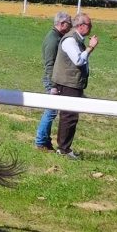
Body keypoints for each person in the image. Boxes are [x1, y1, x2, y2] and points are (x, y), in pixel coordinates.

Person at [51, 12, 99, 159]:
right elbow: (78, 60)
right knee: (69, 116)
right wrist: (90, 48)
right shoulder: (70, 40)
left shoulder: (76, 39)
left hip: (72, 83)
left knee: (70, 116)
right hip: (68, 83)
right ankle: (63, 149)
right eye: (89, 25)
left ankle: (64, 147)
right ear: (81, 26)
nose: (91, 28)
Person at [34, 11, 72, 151]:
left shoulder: (56, 37)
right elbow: (50, 64)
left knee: (51, 111)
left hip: (54, 79)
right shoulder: (53, 40)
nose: (71, 27)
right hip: (52, 81)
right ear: (62, 24)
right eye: (69, 24)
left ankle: (45, 141)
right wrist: (53, 85)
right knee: (50, 111)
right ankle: (40, 141)